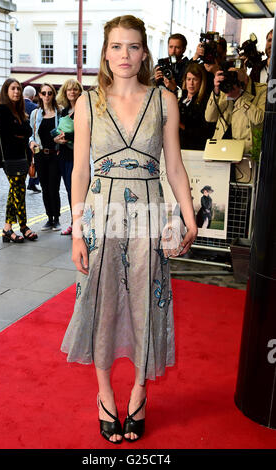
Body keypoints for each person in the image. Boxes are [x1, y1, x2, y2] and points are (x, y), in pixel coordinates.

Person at [60, 15, 197, 444]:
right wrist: (78, 229)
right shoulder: (87, 102)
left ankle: (138, 393)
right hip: (101, 216)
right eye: (116, 46)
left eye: (133, 46)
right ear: (104, 52)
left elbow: (173, 164)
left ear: (144, 53)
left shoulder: (164, 101)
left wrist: (189, 215)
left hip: (149, 217)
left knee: (146, 303)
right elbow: (79, 171)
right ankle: (104, 395)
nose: (124, 55)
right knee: (101, 304)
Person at [0, 78, 38, 242]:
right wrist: (20, 133)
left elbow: (26, 131)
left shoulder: (19, 111)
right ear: (6, 91)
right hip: (10, 160)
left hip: (23, 158)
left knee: (15, 193)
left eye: (18, 89)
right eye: (13, 89)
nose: (16, 92)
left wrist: (19, 133)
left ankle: (7, 229)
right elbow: (8, 137)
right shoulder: (2, 110)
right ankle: (24, 226)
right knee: (18, 192)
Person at [205, 66, 267, 154]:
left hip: (244, 151)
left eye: (233, 79)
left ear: (245, 81)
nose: (230, 83)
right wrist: (216, 91)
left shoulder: (262, 90)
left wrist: (238, 97)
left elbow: (260, 119)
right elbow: (210, 118)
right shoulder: (224, 89)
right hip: (220, 148)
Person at [29, 83, 62, 231]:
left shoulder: (59, 113)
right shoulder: (35, 114)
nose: (47, 96)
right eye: (44, 93)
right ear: (39, 95)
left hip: (55, 155)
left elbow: (65, 131)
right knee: (44, 188)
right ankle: (49, 218)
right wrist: (31, 142)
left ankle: (57, 219)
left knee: (54, 187)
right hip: (40, 155)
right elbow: (31, 133)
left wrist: (61, 140)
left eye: (50, 93)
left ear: (53, 95)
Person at [54, 79, 83, 236]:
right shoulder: (64, 111)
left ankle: (79, 224)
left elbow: (86, 131)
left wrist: (68, 135)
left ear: (79, 91)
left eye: (75, 89)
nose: (72, 92)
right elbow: (58, 130)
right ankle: (74, 223)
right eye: (69, 90)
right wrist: (57, 139)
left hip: (78, 156)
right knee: (69, 191)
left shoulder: (83, 109)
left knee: (77, 192)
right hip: (63, 155)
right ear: (65, 92)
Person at [178, 62, 215, 150]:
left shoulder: (205, 101)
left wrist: (178, 124)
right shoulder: (180, 97)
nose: (191, 83)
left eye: (195, 79)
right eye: (189, 79)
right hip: (177, 146)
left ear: (201, 81)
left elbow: (201, 131)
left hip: (194, 147)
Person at [23, 85, 41, 194]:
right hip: (32, 140)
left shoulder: (16, 106)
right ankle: (32, 182)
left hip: (19, 141)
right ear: (33, 96)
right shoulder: (35, 108)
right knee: (34, 162)